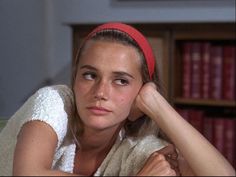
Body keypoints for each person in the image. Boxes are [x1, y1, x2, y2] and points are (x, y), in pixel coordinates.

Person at [0, 22, 235, 176]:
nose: (101, 92)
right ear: (75, 79)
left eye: (121, 80)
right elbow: (27, 173)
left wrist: (158, 105)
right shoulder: (53, 102)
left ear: (141, 93)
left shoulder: (137, 149)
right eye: (90, 75)